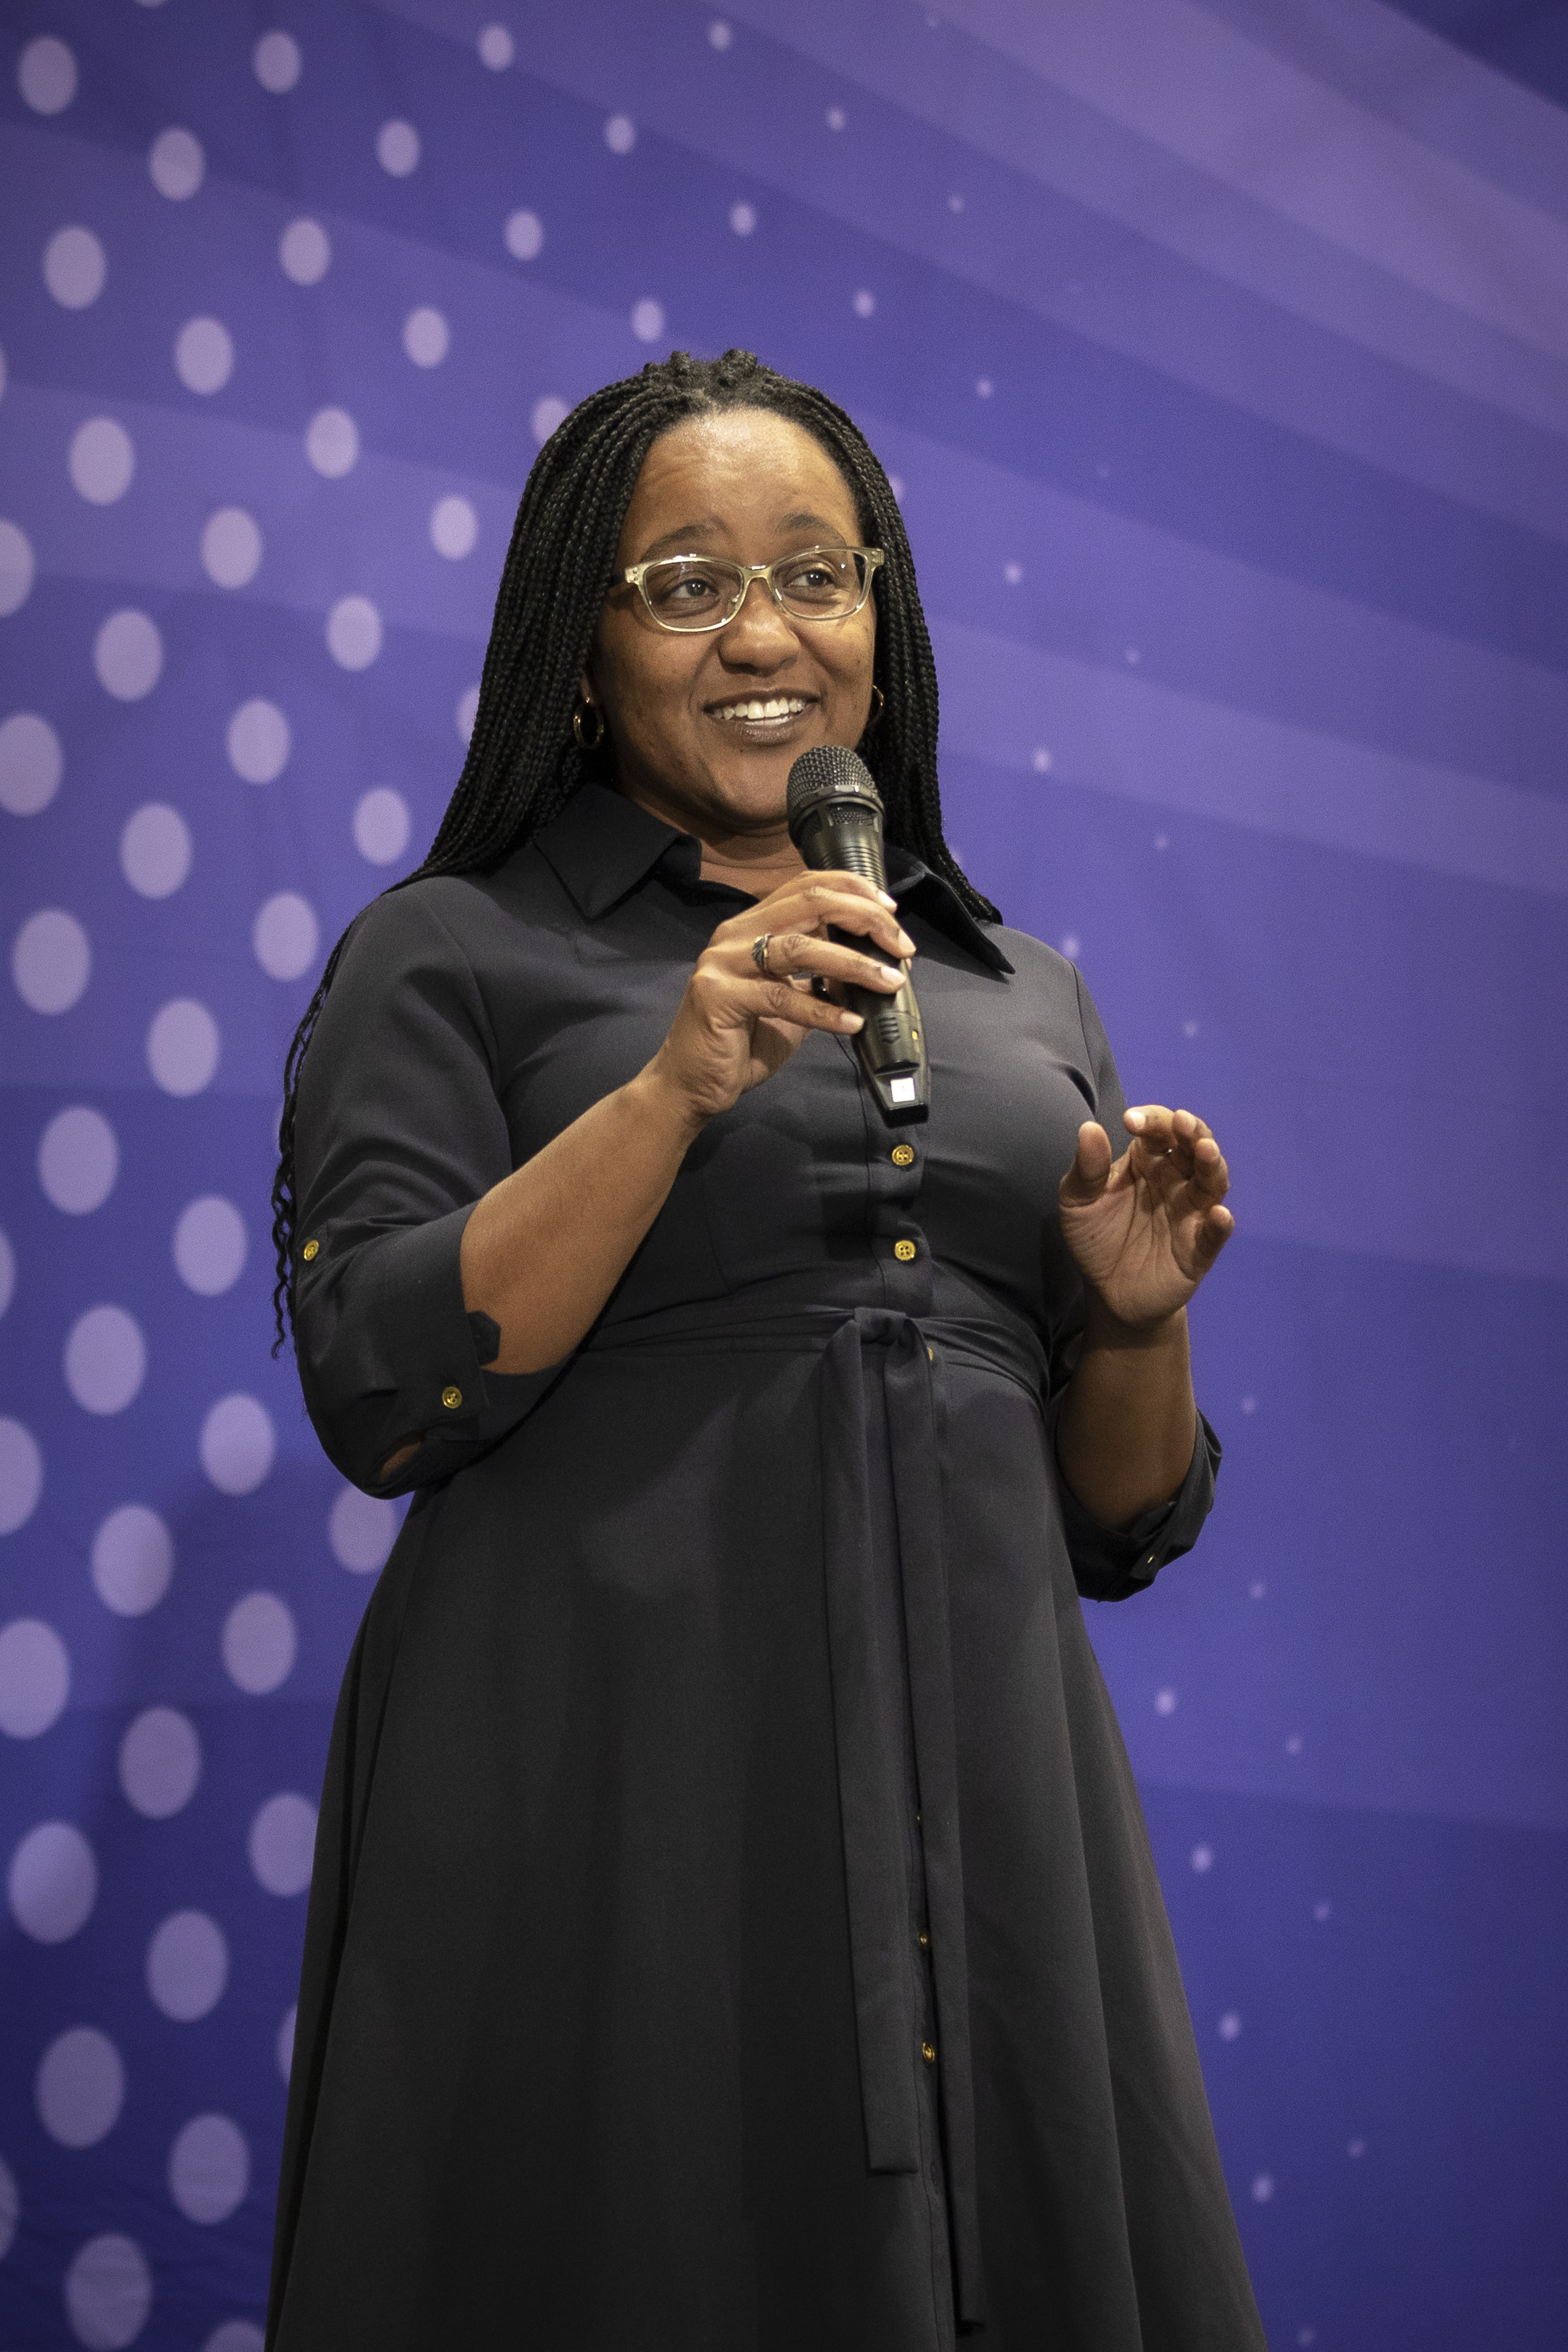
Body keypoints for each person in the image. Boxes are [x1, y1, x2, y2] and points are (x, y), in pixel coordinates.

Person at [265, 348, 1264, 2352]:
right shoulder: (451, 952)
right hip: (610, 1815)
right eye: (687, 583)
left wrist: (1134, 1325)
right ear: (581, 648)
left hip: (991, 1813)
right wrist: (670, 1091)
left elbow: (1119, 1523)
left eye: (817, 572)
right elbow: (382, 1385)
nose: (764, 634)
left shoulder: (1021, 987)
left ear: (879, 619)